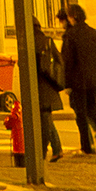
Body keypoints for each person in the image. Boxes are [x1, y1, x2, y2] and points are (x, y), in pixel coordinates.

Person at [61, 3, 96, 157]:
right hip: (93, 79)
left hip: (77, 80)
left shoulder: (71, 35)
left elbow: (68, 61)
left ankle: (86, 147)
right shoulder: (94, 33)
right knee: (92, 107)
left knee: (81, 114)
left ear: (73, 17)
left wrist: (66, 83)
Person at [33, 18, 65, 163]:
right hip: (49, 85)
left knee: (44, 118)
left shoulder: (29, 41)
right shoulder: (47, 41)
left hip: (39, 86)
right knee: (45, 118)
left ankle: (42, 152)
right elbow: (59, 60)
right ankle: (56, 149)